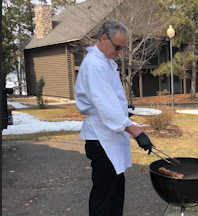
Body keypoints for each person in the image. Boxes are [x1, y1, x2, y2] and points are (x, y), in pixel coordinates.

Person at [74, 19, 153, 216]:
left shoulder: (106, 63)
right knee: (103, 195)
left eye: (122, 48)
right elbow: (105, 105)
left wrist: (125, 108)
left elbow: (112, 98)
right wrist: (135, 130)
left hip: (110, 136)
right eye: (118, 47)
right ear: (103, 38)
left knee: (116, 191)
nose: (120, 52)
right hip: (101, 138)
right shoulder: (94, 64)